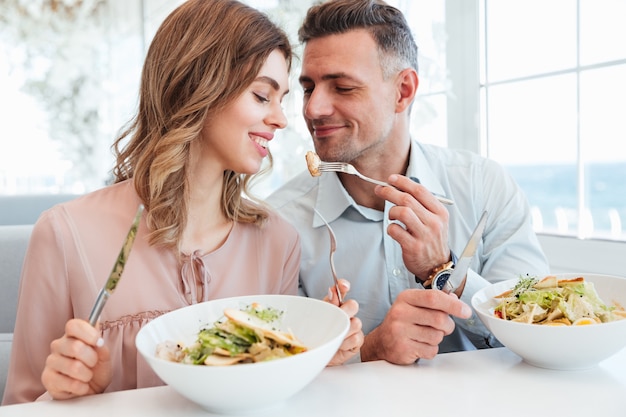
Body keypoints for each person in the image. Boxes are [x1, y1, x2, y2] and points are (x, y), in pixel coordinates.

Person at [2, 0, 362, 405]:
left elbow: (277, 396)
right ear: (197, 88)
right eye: (263, 96)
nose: (281, 118)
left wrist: (316, 354)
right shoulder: (65, 235)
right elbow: (21, 403)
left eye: (282, 100)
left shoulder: (277, 241)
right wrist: (72, 393)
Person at [268, 0, 550, 365]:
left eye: (342, 87)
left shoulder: (485, 187)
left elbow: (541, 330)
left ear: (403, 91)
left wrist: (447, 272)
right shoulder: (279, 222)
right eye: (308, 88)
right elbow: (275, 371)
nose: (313, 109)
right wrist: (370, 351)